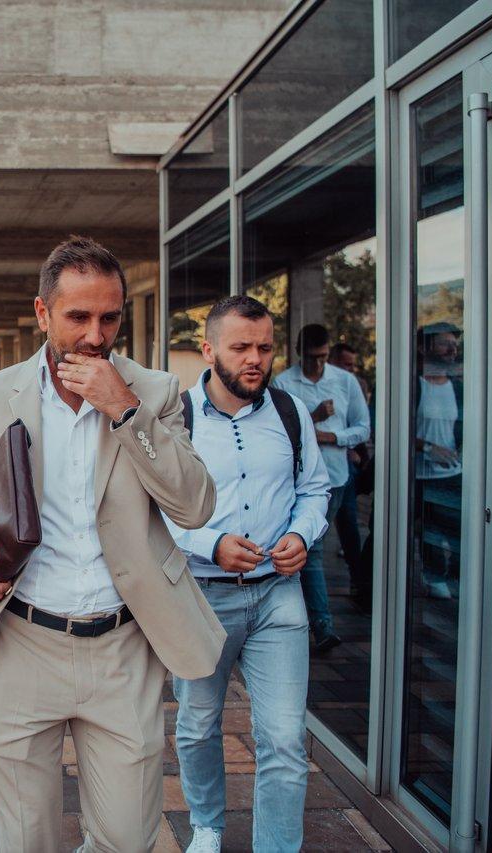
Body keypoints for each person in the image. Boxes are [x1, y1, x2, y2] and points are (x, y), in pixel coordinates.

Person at [0, 236, 223, 852]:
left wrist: (125, 410)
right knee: (25, 838)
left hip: (123, 648)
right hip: (21, 643)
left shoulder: (157, 391)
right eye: (78, 317)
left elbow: (193, 504)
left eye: (109, 317)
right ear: (42, 314)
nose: (95, 334)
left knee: (126, 838)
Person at [168, 296, 330, 853]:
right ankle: (208, 827)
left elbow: (315, 490)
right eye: (241, 348)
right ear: (209, 350)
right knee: (197, 726)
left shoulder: (290, 413)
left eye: (264, 347)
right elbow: (148, 510)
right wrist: (209, 542)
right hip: (199, 599)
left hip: (279, 598)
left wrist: (301, 535)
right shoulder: (175, 418)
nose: (255, 359)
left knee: (284, 740)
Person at [272, 324, 370, 651]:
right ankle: (322, 625)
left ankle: (353, 596)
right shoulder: (284, 383)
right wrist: (312, 418)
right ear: (301, 354)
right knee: (312, 550)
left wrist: (333, 437)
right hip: (298, 479)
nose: (318, 364)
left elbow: (362, 427)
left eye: (324, 357)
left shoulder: (345, 382)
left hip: (338, 476)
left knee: (343, 538)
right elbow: (279, 432)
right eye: (313, 358)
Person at [414, 322, 463, 599]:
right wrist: (429, 448)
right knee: (427, 530)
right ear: (424, 347)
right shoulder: (413, 386)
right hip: (419, 475)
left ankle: (453, 579)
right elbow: (393, 431)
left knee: (456, 531)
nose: (452, 349)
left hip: (452, 476)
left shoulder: (458, 388)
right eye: (445, 343)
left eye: (454, 345)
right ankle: (433, 575)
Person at [328, 341, 373, 610]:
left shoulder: (354, 385)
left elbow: (362, 427)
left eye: (352, 364)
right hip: (322, 471)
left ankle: (361, 586)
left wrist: (338, 440)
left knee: (350, 530)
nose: (351, 369)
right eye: (346, 364)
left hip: (346, 471)